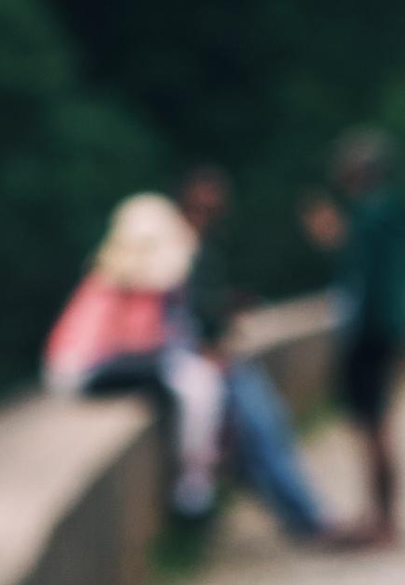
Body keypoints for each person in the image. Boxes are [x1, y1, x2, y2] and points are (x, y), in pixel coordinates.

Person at [42, 193, 225, 518]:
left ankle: (195, 483)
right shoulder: (132, 288)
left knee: (188, 378)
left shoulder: (108, 281)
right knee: (192, 380)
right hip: (88, 369)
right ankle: (194, 487)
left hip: (80, 368)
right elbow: (144, 346)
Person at [175, 166, 332, 545]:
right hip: (205, 362)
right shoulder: (176, 249)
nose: (210, 208)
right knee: (264, 426)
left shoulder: (204, 246)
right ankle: (309, 519)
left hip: (214, 359)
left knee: (266, 428)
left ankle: (305, 517)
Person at [303, 129, 405, 546]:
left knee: (374, 428)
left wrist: (331, 232)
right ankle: (384, 518)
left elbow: (357, 265)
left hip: (371, 332)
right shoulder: (387, 211)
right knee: (380, 425)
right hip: (388, 330)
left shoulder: (370, 215)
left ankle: (382, 523)